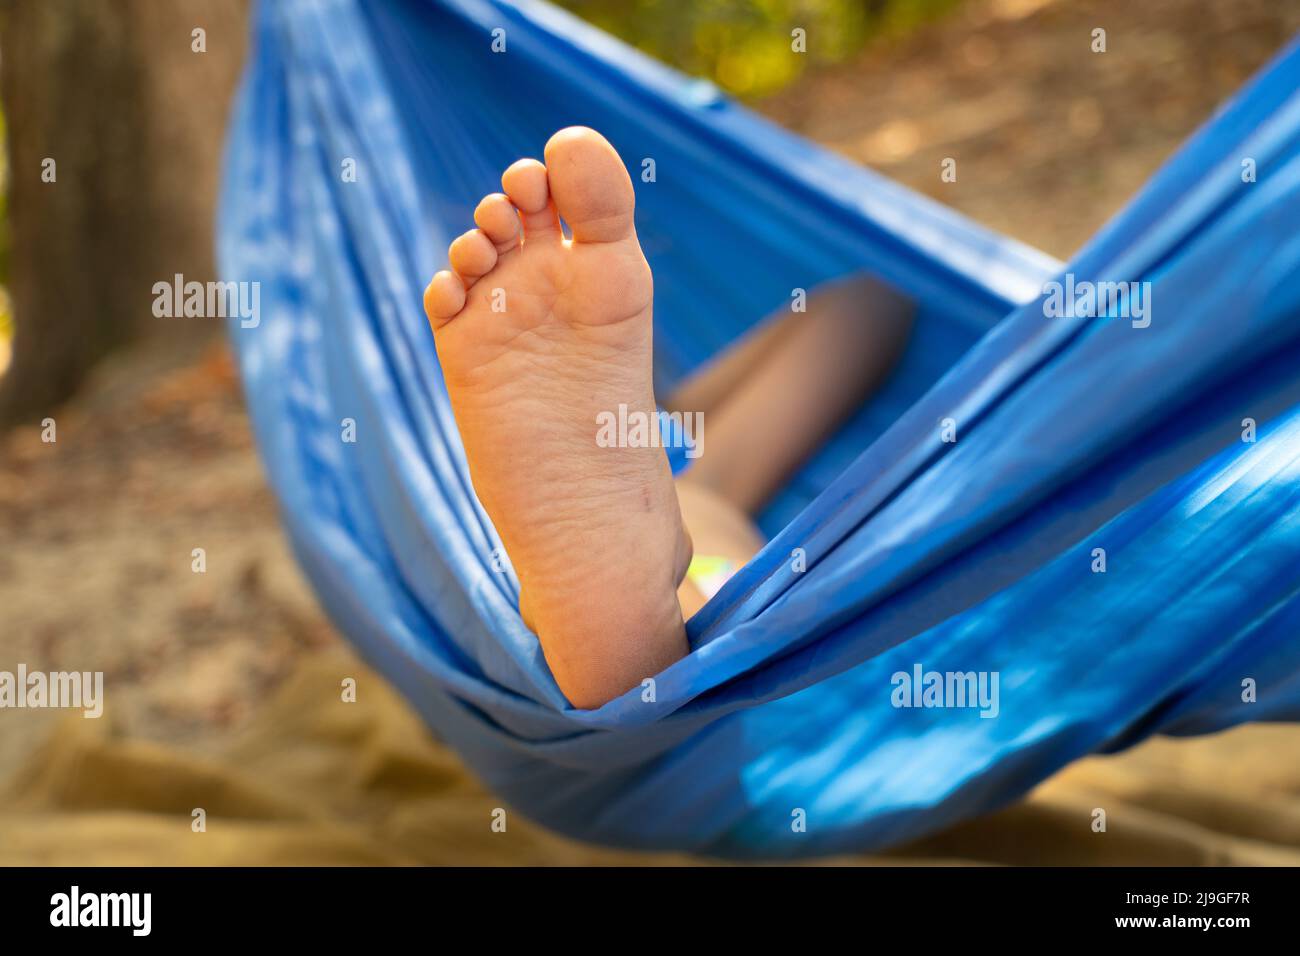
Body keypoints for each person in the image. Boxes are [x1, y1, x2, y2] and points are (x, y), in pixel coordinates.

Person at [424, 127, 912, 708]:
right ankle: (633, 625)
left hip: (654, 456)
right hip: (672, 476)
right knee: (870, 303)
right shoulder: (666, 424)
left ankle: (629, 626)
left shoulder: (661, 416)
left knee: (873, 300)